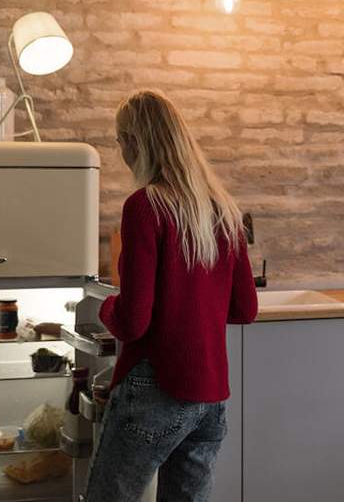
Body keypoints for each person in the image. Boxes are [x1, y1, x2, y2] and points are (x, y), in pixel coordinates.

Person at [85, 90, 258, 502]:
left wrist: (103, 305)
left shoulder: (145, 206)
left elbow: (133, 321)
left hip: (155, 386)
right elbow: (245, 308)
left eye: (120, 140)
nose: (121, 151)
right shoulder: (224, 210)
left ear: (136, 143)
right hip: (210, 396)